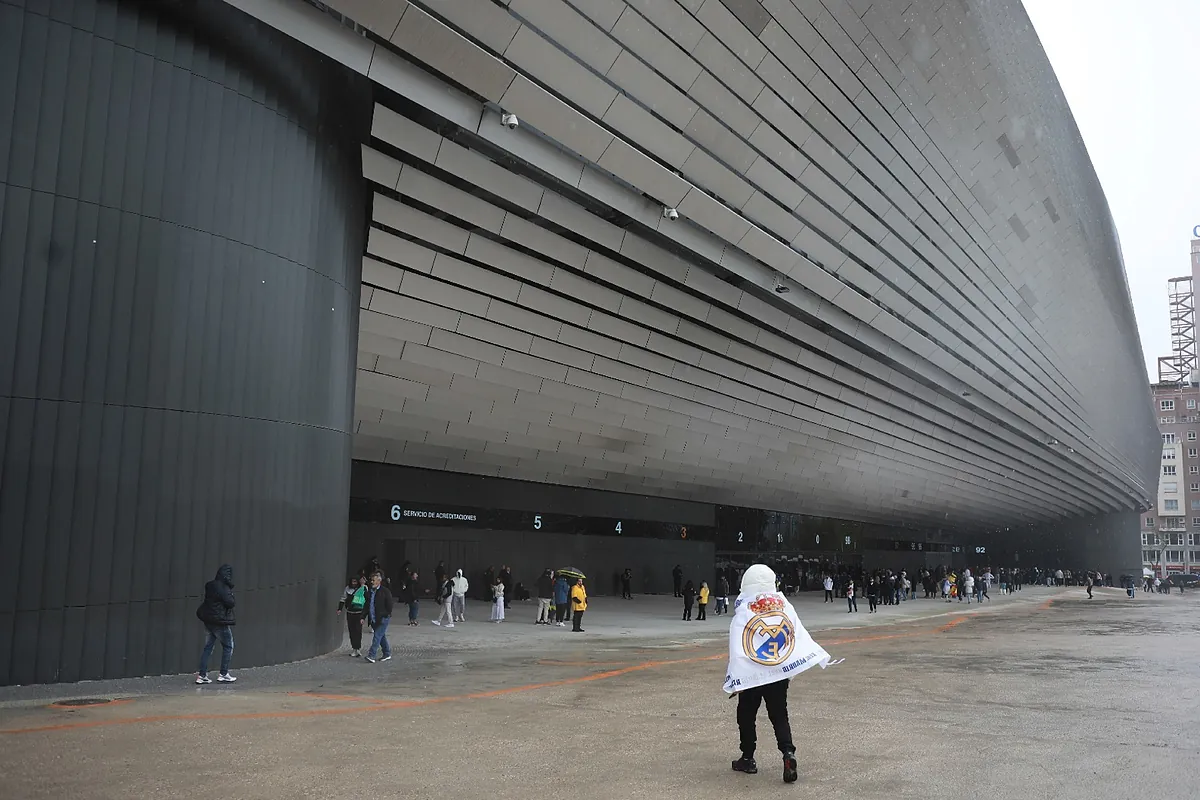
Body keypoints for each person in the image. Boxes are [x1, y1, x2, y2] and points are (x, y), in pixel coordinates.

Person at [724, 564, 839, 784]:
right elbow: (796, 637)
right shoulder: (785, 606)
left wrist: (736, 680)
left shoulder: (744, 610)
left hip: (752, 675)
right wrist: (790, 671)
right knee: (779, 715)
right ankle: (788, 753)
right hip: (778, 673)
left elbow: (738, 648)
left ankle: (748, 758)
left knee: (746, 715)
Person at [196, 564, 237, 684]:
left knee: (208, 647)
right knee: (228, 646)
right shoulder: (224, 588)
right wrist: (230, 590)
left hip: (208, 620)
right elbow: (231, 603)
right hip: (219, 622)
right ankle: (223, 674)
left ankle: (202, 675)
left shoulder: (210, 585)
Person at [363, 571, 394, 664]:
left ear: (379, 581)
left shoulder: (385, 591)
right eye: (371, 580)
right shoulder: (370, 592)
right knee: (381, 636)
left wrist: (386, 614)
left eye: (373, 580)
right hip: (373, 618)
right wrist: (362, 617)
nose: (372, 582)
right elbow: (367, 605)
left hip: (382, 618)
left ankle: (371, 655)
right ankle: (387, 653)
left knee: (377, 636)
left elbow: (390, 605)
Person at [337, 576, 367, 656]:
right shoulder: (347, 589)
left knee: (358, 631)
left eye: (355, 581)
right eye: (352, 581)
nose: (354, 583)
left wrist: (363, 584)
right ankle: (354, 648)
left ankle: (358, 648)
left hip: (359, 613)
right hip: (350, 612)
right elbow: (343, 599)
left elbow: (367, 597)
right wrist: (339, 609)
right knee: (352, 631)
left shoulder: (362, 588)